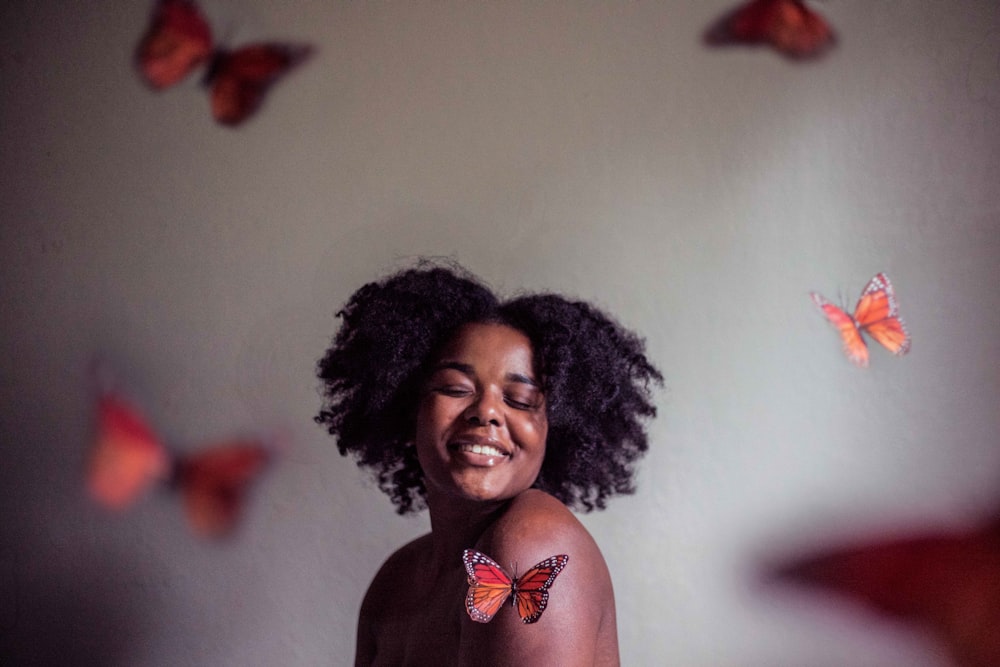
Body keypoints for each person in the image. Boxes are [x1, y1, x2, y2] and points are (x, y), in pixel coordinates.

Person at [316, 261, 661, 666]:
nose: (487, 412)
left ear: (556, 429)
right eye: (455, 388)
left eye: (519, 400)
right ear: (408, 407)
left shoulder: (531, 543)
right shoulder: (398, 578)